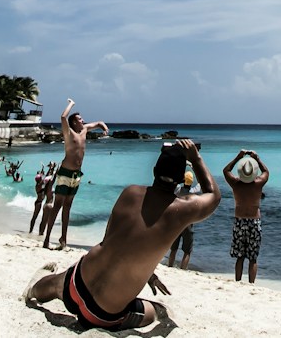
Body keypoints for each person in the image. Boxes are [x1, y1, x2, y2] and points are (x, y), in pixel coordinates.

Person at [22, 139, 219, 330]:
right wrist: (196, 159)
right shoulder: (181, 211)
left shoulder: (130, 193)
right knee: (160, 310)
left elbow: (113, 241)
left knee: (57, 284)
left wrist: (148, 274)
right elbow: (213, 195)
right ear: (180, 179)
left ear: (154, 171)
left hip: (76, 283)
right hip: (102, 314)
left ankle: (32, 291)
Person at [40, 98, 108, 249]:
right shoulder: (68, 133)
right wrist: (71, 104)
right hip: (65, 173)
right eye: (80, 119)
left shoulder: (84, 130)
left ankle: (63, 239)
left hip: (76, 175)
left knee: (68, 207)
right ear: (74, 123)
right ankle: (47, 239)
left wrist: (104, 128)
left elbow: (99, 123)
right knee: (58, 205)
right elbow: (63, 117)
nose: (83, 120)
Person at [222, 149, 269, 283]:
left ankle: (238, 282)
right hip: (254, 221)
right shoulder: (258, 183)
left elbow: (226, 170)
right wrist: (257, 159)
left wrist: (238, 157)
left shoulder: (236, 184)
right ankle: (251, 283)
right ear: (253, 172)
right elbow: (266, 172)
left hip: (240, 221)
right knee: (253, 258)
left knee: (240, 256)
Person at [165, 169, 199, 269]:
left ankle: (170, 266)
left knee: (173, 249)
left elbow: (173, 181)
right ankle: (183, 269)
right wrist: (194, 168)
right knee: (187, 251)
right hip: (188, 223)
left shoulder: (177, 190)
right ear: (192, 182)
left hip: (176, 222)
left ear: (183, 180)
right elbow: (202, 182)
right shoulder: (194, 192)